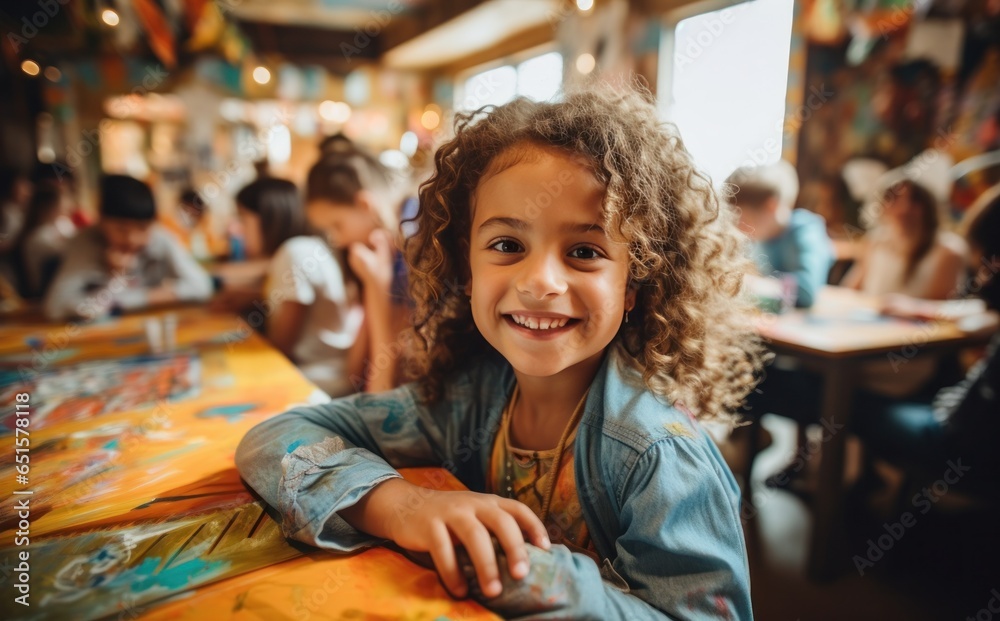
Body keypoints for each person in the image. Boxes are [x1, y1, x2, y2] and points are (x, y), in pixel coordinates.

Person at [236, 86, 764, 619]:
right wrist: (399, 507)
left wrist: (541, 575)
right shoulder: (471, 398)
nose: (539, 282)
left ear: (633, 284)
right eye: (508, 246)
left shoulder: (658, 458)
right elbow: (274, 439)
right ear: (467, 271)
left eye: (584, 251)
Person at [853, 183, 1000, 480]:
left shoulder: (945, 250)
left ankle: (858, 490)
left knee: (853, 407)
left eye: (987, 266)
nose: (982, 277)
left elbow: (963, 418)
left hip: (964, 441)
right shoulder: (879, 243)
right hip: (970, 431)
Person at [229, 177, 366, 399]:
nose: (237, 229)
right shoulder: (306, 246)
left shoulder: (294, 253)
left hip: (318, 382)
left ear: (268, 218)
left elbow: (282, 345)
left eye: (243, 218)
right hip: (326, 374)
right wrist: (252, 296)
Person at [305, 151, 409, 392]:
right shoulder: (379, 259)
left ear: (365, 204)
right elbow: (355, 370)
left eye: (337, 226)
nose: (337, 240)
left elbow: (384, 380)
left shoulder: (409, 251)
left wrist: (376, 287)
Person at [44, 175, 213, 321]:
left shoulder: (161, 238)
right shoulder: (85, 243)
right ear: (101, 222)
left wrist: (132, 299)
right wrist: (113, 280)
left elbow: (202, 286)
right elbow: (56, 307)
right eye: (121, 229)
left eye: (142, 228)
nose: (132, 239)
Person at [726, 160, 834, 308]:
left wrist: (749, 283)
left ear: (771, 206)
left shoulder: (806, 230)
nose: (737, 226)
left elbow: (806, 292)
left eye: (741, 218)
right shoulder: (759, 237)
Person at [842, 175, 967, 300]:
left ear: (929, 206)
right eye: (894, 198)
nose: (904, 208)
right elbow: (850, 291)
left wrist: (902, 308)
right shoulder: (875, 242)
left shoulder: (949, 251)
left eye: (915, 199)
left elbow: (941, 308)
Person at [14, 184, 76, 298]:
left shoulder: (61, 224)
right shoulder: (36, 237)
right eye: (63, 202)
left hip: (61, 288)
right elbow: (71, 253)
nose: (68, 206)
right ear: (47, 207)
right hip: (45, 294)